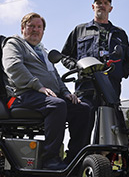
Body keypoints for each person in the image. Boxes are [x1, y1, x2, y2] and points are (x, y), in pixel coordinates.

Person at [2, 12, 91, 170]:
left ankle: (75, 158)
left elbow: (56, 76)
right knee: (56, 105)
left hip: (46, 96)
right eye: (31, 26)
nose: (35, 30)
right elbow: (13, 67)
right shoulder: (14, 44)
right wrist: (38, 86)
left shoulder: (43, 51)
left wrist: (66, 93)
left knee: (83, 108)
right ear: (23, 28)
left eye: (39, 27)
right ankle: (51, 159)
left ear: (43, 31)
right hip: (23, 95)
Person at [61, 0, 129, 143]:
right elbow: (64, 56)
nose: (102, 5)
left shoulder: (120, 34)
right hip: (85, 90)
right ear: (93, 7)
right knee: (82, 128)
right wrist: (79, 67)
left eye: (105, 3)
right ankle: (76, 160)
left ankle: (105, 163)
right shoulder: (80, 30)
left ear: (110, 8)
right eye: (98, 2)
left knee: (110, 132)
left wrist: (117, 74)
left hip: (110, 91)